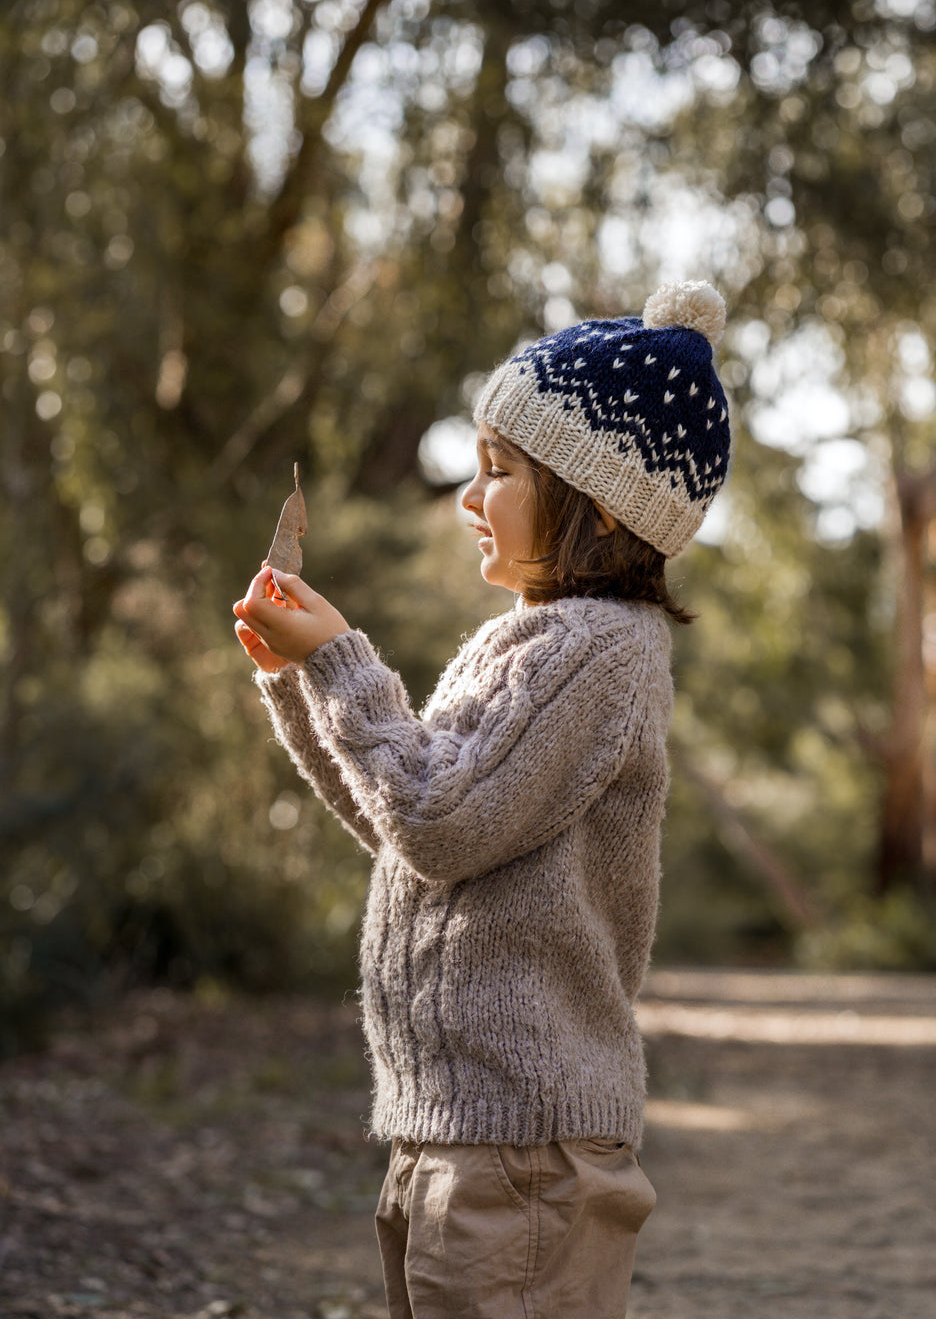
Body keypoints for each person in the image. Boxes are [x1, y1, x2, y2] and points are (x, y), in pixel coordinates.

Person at [232, 279, 730, 1319]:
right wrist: (301, 679)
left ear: (597, 502)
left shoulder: (596, 651)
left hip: (525, 1156)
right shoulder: (534, 643)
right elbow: (401, 825)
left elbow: (441, 822)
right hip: (458, 1134)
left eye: (497, 472)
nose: (467, 497)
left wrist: (343, 661)